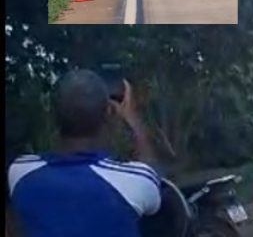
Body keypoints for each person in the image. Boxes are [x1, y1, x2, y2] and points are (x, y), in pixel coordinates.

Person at [7, 69, 161, 237]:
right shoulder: (134, 181)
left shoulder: (20, 171)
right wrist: (132, 119)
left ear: (53, 116)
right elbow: (153, 176)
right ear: (109, 114)